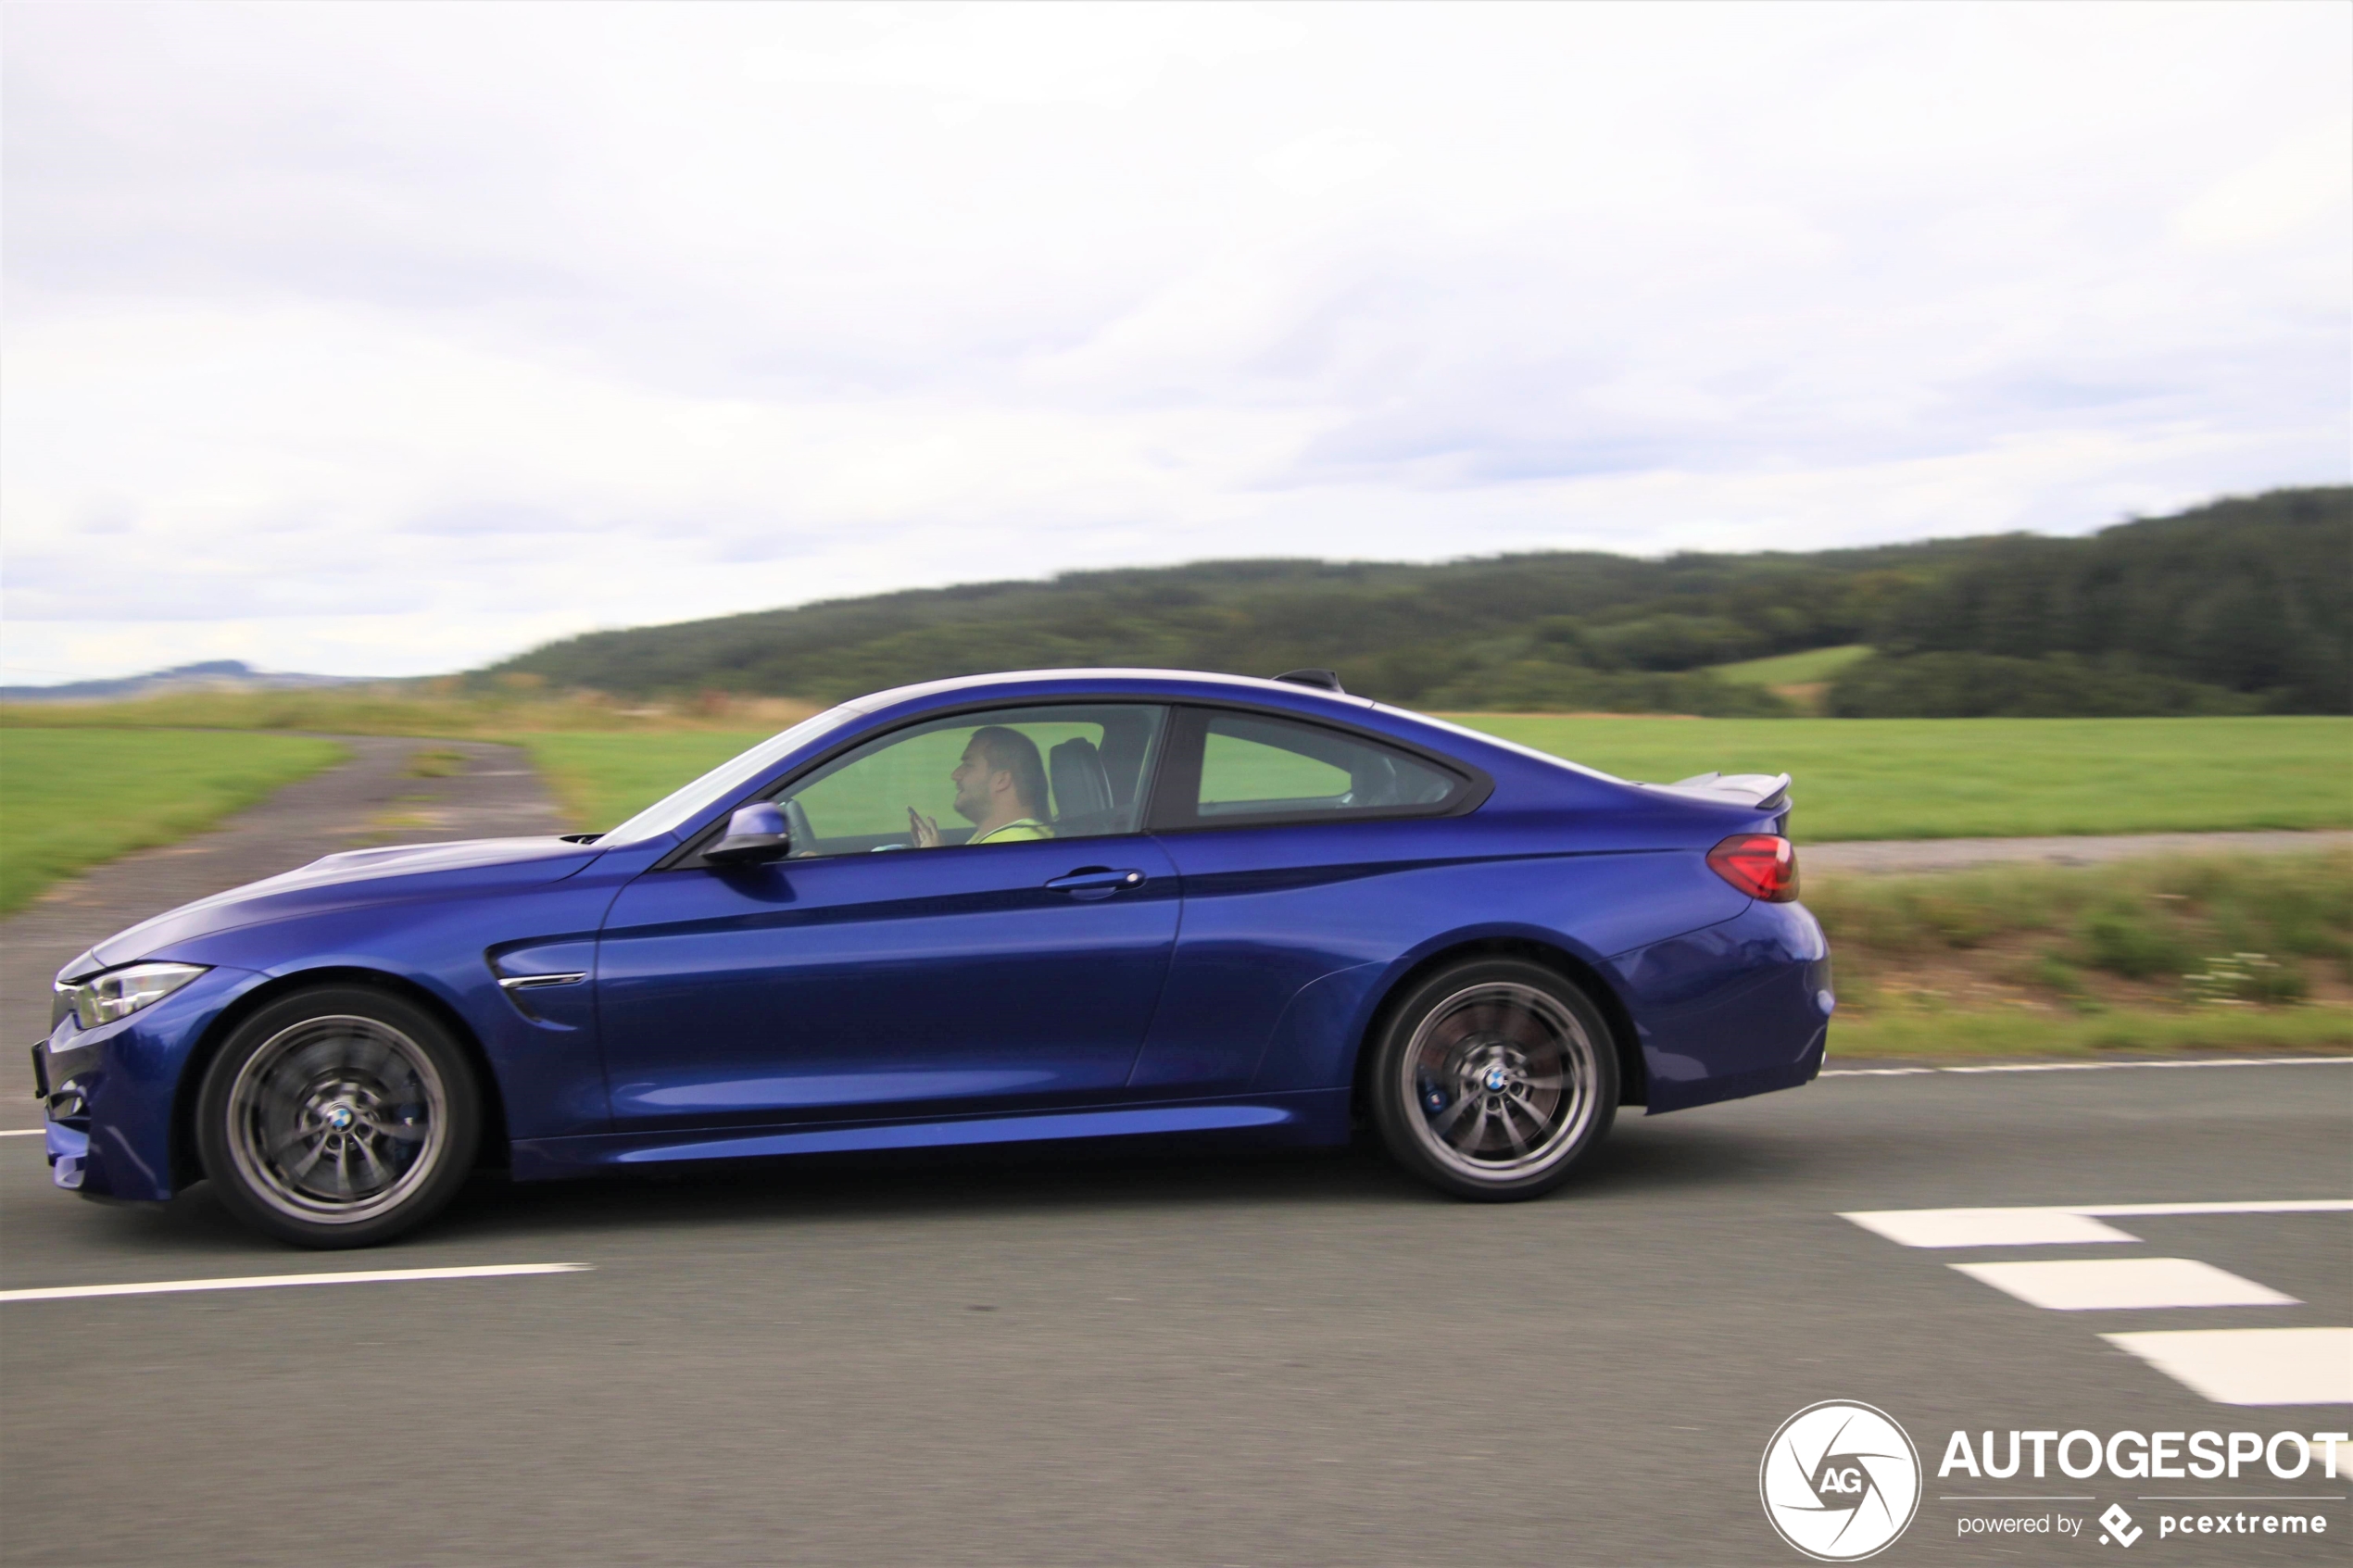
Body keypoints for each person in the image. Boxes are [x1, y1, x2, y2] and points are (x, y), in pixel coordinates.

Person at [909, 725, 1055, 847]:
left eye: (969, 765)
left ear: (1001, 780)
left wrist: (936, 863)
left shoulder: (1014, 846)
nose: (955, 774)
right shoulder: (1001, 839)